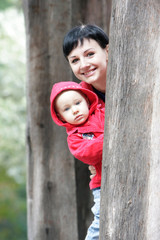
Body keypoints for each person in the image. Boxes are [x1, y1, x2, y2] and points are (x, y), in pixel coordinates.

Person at [62, 24, 109, 239]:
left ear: (107, 51)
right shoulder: (79, 101)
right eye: (75, 60)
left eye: (90, 54)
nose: (84, 64)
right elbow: (80, 142)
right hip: (108, 181)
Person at [50, 81, 105, 240]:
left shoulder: (101, 112)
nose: (75, 110)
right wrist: (109, 137)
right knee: (102, 218)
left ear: (87, 101)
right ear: (60, 116)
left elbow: (88, 85)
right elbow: (88, 152)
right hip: (101, 183)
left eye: (78, 103)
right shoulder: (75, 137)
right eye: (66, 109)